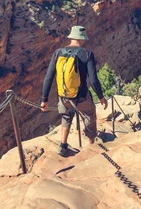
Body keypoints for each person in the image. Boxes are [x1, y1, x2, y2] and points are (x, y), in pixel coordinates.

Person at [40, 26, 107, 156]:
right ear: (82, 39)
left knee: (66, 116)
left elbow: (48, 77)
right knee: (89, 114)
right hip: (81, 96)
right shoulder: (87, 54)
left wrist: (44, 99)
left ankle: (63, 146)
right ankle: (91, 144)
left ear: (71, 37)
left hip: (64, 97)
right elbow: (93, 80)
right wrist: (101, 97)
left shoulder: (58, 52)